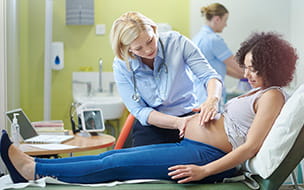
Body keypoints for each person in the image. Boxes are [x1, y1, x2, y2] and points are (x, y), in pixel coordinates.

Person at [0, 32, 297, 184]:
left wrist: (204, 170)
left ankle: (32, 169)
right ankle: (32, 167)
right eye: (245, 67)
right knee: (110, 157)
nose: (247, 75)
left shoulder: (273, 96)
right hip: (194, 144)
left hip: (206, 156)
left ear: (272, 67)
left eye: (253, 70)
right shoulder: (257, 92)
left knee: (115, 165)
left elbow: (248, 148)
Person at [110, 11, 223, 147]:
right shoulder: (122, 65)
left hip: (188, 116)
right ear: (128, 49)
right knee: (146, 165)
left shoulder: (177, 43)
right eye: (138, 48)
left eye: (150, 41)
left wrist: (212, 100)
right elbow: (139, 110)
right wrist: (177, 123)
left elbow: (209, 76)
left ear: (154, 30)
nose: (147, 50)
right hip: (153, 124)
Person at [192, 3, 244, 107]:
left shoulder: (197, 38)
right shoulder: (213, 40)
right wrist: (260, 76)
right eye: (225, 20)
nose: (226, 24)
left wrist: (243, 76)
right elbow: (237, 65)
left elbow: (221, 68)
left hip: (197, 94)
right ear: (217, 19)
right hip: (209, 94)